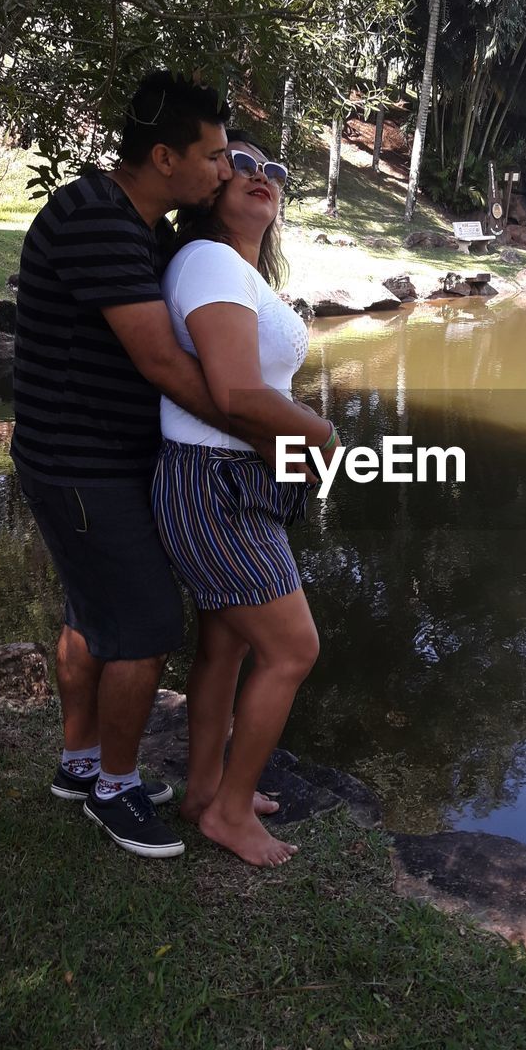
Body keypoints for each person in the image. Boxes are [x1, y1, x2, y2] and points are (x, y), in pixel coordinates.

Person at [12, 71, 268, 860]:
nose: (226, 170)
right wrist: (253, 425)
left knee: (92, 614)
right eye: (217, 156)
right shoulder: (96, 219)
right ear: (164, 157)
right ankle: (115, 791)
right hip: (78, 460)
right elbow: (160, 360)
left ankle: (81, 763)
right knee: (146, 623)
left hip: (98, 457)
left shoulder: (136, 224)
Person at [152, 132, 338, 867]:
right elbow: (234, 394)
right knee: (293, 647)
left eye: (276, 171)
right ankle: (229, 812)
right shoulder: (208, 261)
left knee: (227, 643)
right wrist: (322, 437)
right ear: (212, 190)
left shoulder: (238, 271)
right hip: (215, 479)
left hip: (238, 478)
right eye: (244, 166)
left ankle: (204, 790)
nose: (263, 177)